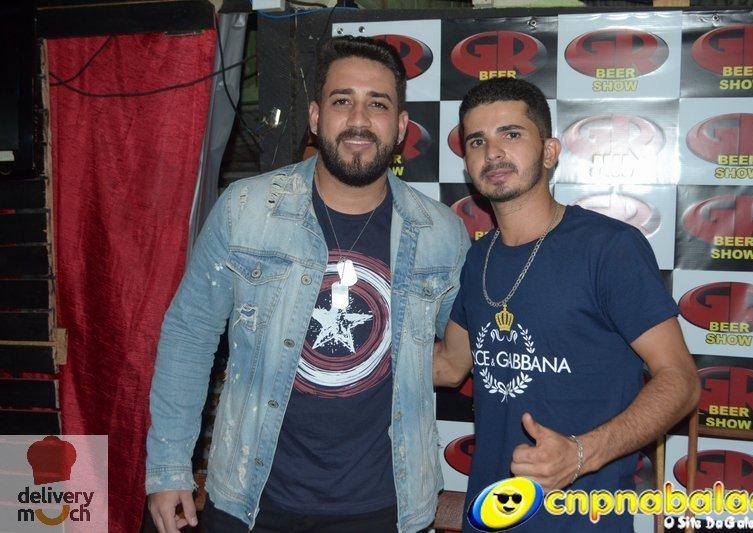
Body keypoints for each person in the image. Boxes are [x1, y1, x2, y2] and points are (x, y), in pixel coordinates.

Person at [146, 36, 470, 533]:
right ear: (316, 117)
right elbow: (189, 336)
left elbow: (462, 354)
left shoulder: (441, 234)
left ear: (401, 126)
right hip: (252, 501)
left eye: (377, 104)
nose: (359, 119)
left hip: (386, 507)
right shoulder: (246, 210)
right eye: (342, 101)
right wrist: (169, 467)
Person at [434, 78, 699, 532]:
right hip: (489, 516)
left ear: (550, 151)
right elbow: (449, 365)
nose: (493, 152)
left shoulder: (608, 248)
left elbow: (681, 381)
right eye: (477, 141)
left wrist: (580, 454)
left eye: (511, 134)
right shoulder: (479, 257)